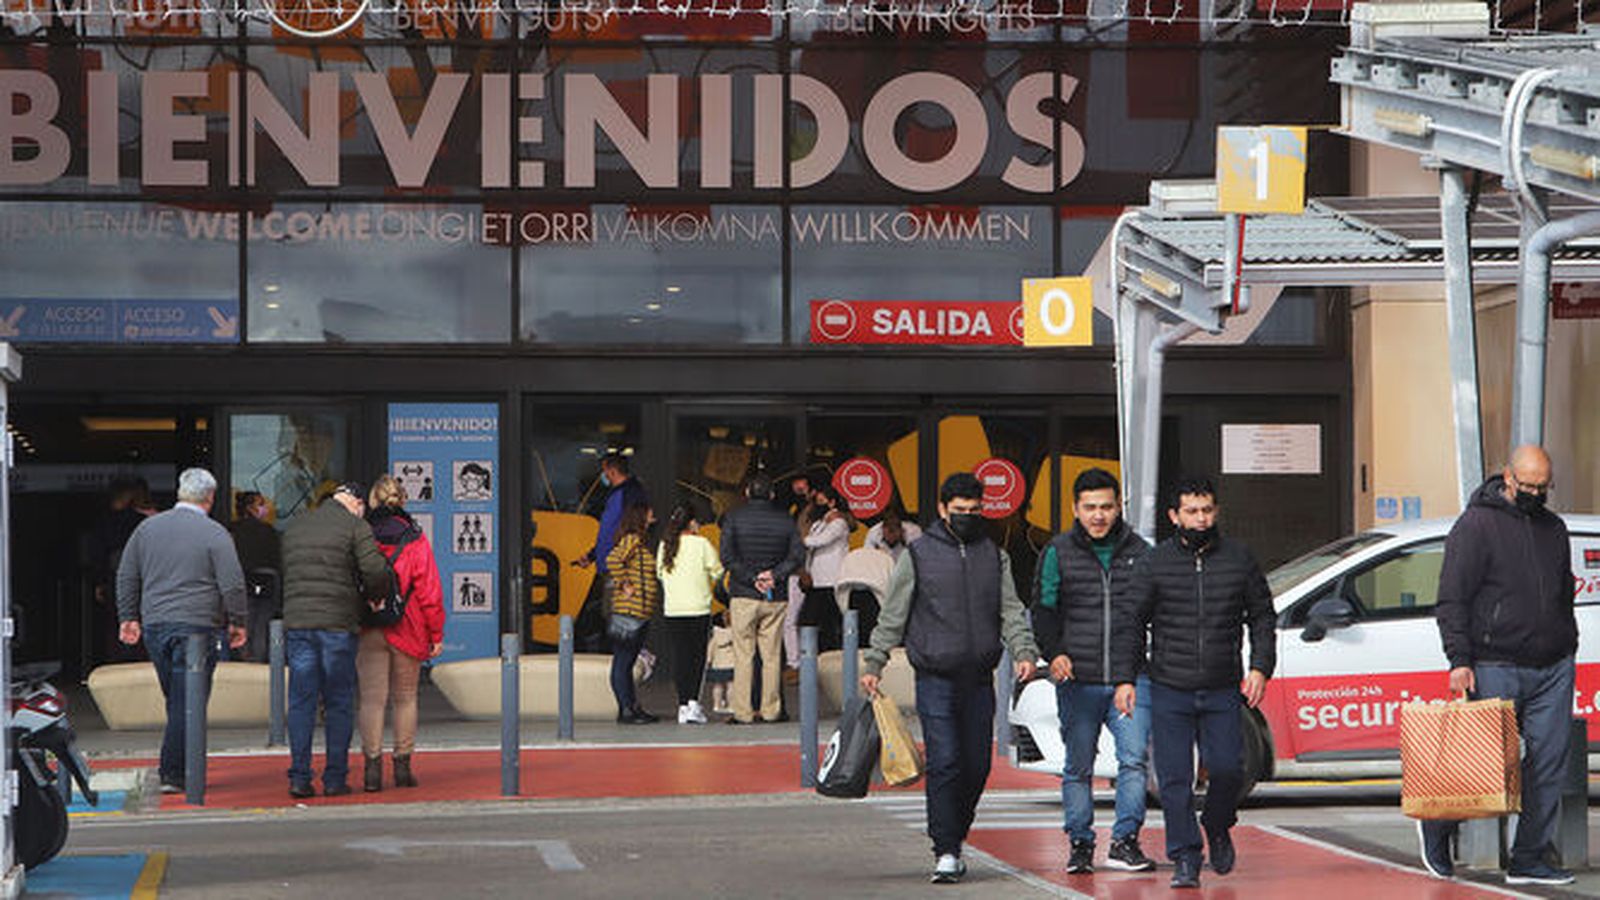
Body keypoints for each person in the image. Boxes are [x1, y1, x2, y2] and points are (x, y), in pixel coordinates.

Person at [860, 473, 1040, 884]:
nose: (968, 516)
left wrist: (1024, 650)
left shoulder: (995, 556)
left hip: (979, 677)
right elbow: (894, 613)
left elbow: (1010, 609)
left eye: (975, 510)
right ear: (943, 510)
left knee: (976, 765)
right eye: (960, 510)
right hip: (935, 676)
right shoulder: (919, 555)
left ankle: (953, 834)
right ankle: (946, 848)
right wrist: (874, 662)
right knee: (945, 761)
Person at [1418, 445, 1578, 887]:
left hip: (1553, 664)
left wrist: (1568, 643)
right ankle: (1438, 824)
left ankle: (1528, 857)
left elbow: (1563, 591)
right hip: (1494, 661)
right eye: (1527, 485)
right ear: (1508, 477)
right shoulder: (1475, 525)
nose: (1535, 494)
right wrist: (1459, 659)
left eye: (1543, 487)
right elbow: (1452, 597)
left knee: (1548, 762)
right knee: (1482, 763)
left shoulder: (1554, 529)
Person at [1113, 475, 1275, 890]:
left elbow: (1262, 615)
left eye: (1206, 510)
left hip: (1223, 685)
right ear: (1174, 516)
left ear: (1216, 511)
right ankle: (1185, 856)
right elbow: (1131, 623)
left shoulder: (1239, 558)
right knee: (1173, 779)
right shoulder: (1154, 562)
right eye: (1191, 512)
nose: (1200, 519)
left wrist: (1260, 667)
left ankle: (1217, 824)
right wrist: (1125, 679)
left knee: (1228, 769)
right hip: (1169, 686)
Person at [1032, 468, 1154, 874]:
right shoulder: (1057, 551)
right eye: (1090, 507)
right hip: (1077, 680)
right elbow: (1043, 609)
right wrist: (1055, 654)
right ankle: (1080, 843)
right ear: (1075, 509)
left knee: (1133, 761)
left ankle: (1125, 842)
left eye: (1106, 506)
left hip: (1130, 679)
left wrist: (1130, 674)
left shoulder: (1141, 552)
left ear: (1119, 507)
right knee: (1078, 766)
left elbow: (1150, 615)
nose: (1098, 515)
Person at [115, 468, 247, 795]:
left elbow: (127, 574)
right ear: (210, 497)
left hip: (156, 625)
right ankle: (174, 772)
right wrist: (238, 621)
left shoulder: (147, 529)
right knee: (188, 700)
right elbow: (232, 583)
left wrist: (128, 616)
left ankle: (182, 768)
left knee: (176, 697)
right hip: (197, 626)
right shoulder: (215, 533)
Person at [281, 481, 391, 798]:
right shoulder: (355, 526)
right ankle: (334, 779)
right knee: (338, 701)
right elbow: (374, 570)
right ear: (357, 503)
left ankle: (299, 777)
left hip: (299, 622)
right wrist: (376, 598)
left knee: (301, 701)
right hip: (337, 625)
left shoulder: (296, 525)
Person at [359, 476, 445, 793]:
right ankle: (403, 768)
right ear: (402, 500)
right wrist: (436, 633)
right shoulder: (415, 538)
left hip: (370, 625)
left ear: (372, 501)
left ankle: (371, 771)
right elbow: (429, 591)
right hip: (408, 626)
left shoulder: (361, 535)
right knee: (406, 698)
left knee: (371, 700)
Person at [719, 474, 804, 725]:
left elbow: (727, 557)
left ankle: (743, 712)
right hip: (774, 596)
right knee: (772, 656)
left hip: (743, 594)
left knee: (743, 655)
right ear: (772, 494)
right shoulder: (786, 520)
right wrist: (773, 576)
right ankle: (771, 710)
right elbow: (796, 555)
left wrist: (752, 577)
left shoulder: (733, 518)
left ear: (747, 492)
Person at [656, 502, 725, 724]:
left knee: (681, 657)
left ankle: (683, 706)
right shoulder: (701, 544)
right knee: (697, 659)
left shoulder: (665, 545)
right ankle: (694, 703)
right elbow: (718, 572)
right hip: (698, 609)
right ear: (692, 523)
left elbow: (660, 574)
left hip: (673, 609)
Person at [607, 503, 660, 723]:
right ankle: (626, 709)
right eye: (649, 513)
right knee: (623, 661)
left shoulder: (639, 541)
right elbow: (613, 560)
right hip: (630, 611)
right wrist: (625, 583)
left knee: (627, 662)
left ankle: (632, 706)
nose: (653, 517)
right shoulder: (632, 539)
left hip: (639, 611)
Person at [229, 491, 282, 663]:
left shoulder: (232, 530)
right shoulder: (269, 531)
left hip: (241, 582)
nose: (265, 508)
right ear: (250, 508)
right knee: (262, 626)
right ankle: (257, 661)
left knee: (243, 622)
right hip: (266, 583)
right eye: (261, 504)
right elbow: (277, 560)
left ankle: (243, 659)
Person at [799, 485, 852, 652]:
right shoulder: (818, 524)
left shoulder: (839, 523)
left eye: (822, 501)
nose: (818, 505)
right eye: (817, 502)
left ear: (832, 502)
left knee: (831, 622)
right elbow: (810, 548)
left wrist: (800, 541)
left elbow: (822, 540)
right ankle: (815, 655)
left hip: (831, 579)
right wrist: (806, 570)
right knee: (809, 621)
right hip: (816, 579)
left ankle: (835, 654)